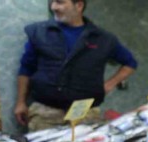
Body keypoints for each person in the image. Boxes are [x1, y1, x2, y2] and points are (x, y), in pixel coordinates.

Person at [15, 0, 137, 132]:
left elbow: (130, 63)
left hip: (84, 114)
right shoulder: (38, 32)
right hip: (45, 114)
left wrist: (109, 84)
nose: (54, 7)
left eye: (60, 2)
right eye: (53, 2)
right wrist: (21, 102)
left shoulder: (103, 38)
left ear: (79, 5)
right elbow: (26, 68)